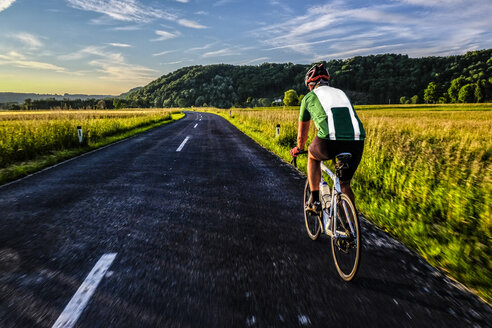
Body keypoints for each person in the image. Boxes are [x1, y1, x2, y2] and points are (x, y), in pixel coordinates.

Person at [290, 63, 365, 214]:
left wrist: (299, 148)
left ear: (310, 84)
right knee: (344, 184)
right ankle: (351, 227)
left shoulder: (309, 97)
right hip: (357, 142)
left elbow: (302, 135)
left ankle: (315, 200)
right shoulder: (341, 93)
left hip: (329, 141)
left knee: (312, 156)